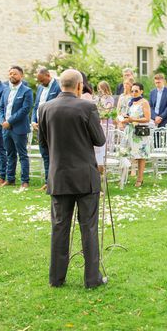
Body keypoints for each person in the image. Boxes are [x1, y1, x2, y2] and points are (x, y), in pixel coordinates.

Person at [38, 69, 107, 289]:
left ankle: (56, 278)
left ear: (60, 86)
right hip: (85, 176)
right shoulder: (87, 107)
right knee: (88, 228)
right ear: (79, 86)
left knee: (59, 228)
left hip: (59, 176)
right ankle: (91, 279)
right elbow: (99, 139)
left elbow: (43, 142)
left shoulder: (45, 108)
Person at [0, 65, 34, 189]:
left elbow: (25, 109)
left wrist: (10, 121)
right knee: (10, 154)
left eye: (15, 74)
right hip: (5, 128)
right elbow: (0, 107)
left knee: (22, 154)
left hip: (19, 128)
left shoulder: (26, 91)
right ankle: (10, 179)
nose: (12, 76)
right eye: (10, 73)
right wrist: (2, 120)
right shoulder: (5, 90)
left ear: (21, 76)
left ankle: (25, 181)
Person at [32, 68, 61, 190]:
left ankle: (55, 181)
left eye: (42, 80)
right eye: (39, 81)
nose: (41, 83)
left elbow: (59, 106)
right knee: (44, 153)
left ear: (48, 76)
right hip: (40, 126)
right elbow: (36, 106)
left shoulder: (57, 87)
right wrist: (33, 120)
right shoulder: (40, 88)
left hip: (52, 126)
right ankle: (47, 181)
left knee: (54, 154)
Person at [122, 82, 151, 187]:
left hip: (139, 132)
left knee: (140, 156)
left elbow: (147, 118)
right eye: (132, 91)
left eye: (136, 91)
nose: (133, 93)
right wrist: (125, 118)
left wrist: (132, 119)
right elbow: (129, 115)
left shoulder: (144, 102)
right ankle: (123, 178)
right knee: (125, 153)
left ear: (141, 91)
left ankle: (140, 179)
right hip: (129, 131)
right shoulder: (130, 101)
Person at [94, 81, 115, 175]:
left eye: (101, 88)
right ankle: (99, 165)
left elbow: (107, 110)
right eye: (98, 88)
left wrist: (100, 112)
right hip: (99, 123)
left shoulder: (109, 98)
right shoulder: (99, 98)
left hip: (106, 123)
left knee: (105, 144)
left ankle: (103, 166)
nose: (99, 90)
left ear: (105, 88)